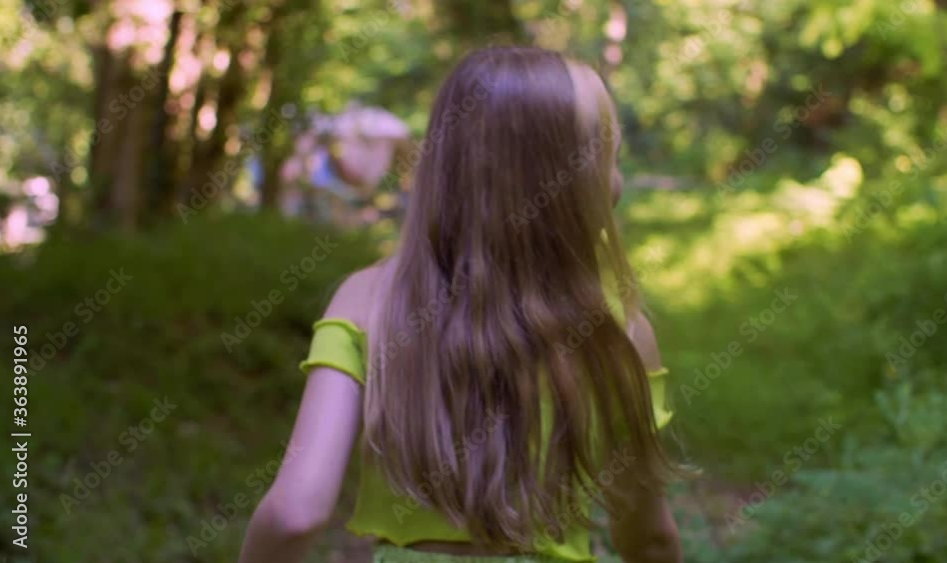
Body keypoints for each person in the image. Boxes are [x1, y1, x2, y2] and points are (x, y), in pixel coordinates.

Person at [238, 46, 683, 563]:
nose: (617, 181)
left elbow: (293, 514)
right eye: (610, 158)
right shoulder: (617, 331)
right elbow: (648, 539)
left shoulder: (366, 299)